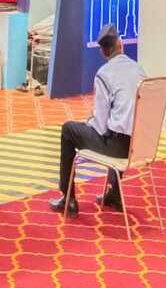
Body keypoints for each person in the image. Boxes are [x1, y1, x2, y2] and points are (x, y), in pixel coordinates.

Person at [50, 25, 145, 216]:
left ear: (102, 52)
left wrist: (89, 123)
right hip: (141, 145)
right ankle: (114, 194)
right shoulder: (139, 70)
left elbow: (100, 126)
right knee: (118, 126)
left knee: (69, 130)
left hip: (119, 149)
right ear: (121, 44)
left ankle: (68, 199)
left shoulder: (104, 74)